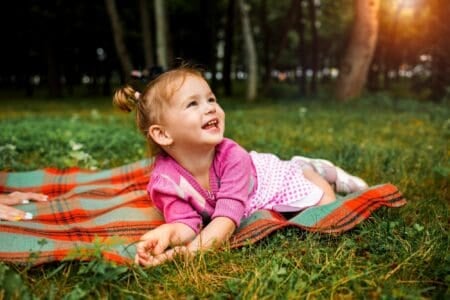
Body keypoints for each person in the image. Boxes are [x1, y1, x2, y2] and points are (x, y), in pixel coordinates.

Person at [113, 66, 368, 267]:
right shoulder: (165, 181)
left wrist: (191, 253)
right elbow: (186, 224)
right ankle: (308, 166)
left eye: (211, 99)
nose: (211, 108)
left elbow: (226, 218)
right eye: (193, 104)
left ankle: (315, 170)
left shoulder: (232, 156)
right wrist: (167, 234)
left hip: (268, 180)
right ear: (163, 135)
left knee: (326, 207)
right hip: (246, 191)